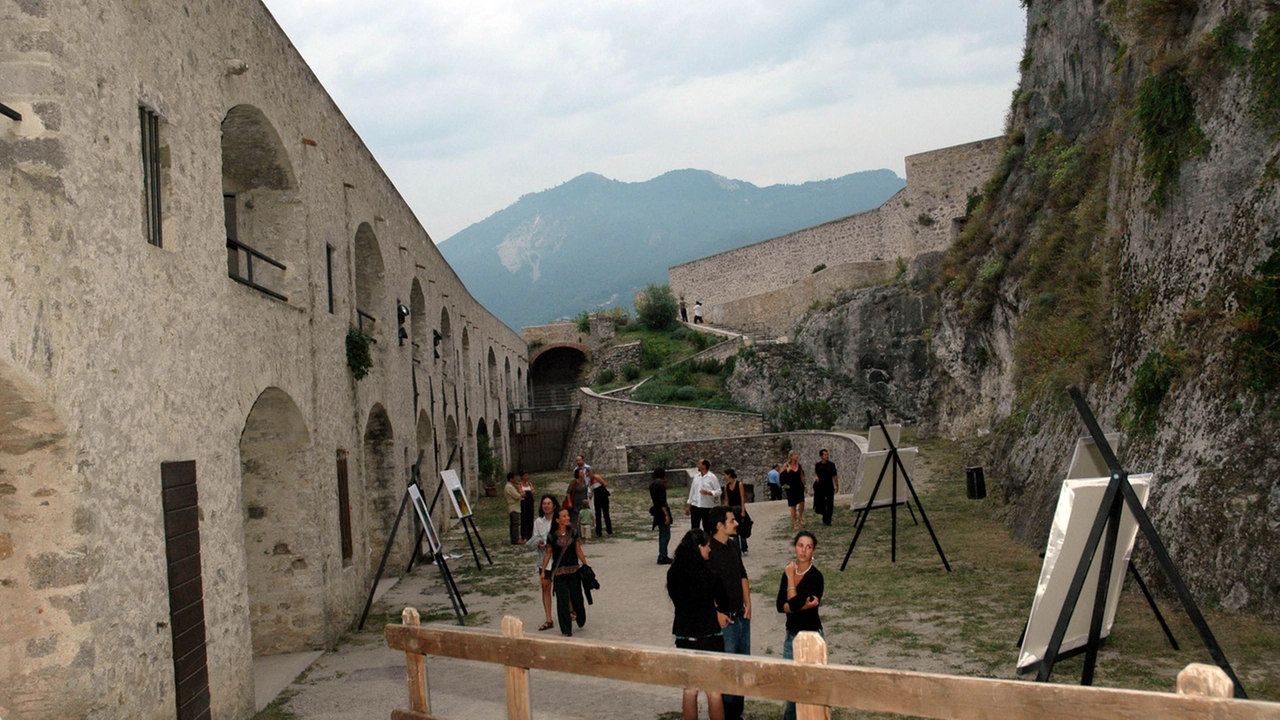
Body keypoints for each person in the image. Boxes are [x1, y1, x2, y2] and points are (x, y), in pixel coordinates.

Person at [667, 529, 729, 720]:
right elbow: (723, 599)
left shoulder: (673, 573)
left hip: (685, 634)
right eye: (707, 545)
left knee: (690, 689)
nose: (710, 549)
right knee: (714, 690)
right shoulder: (708, 571)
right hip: (709, 634)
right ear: (699, 547)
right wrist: (716, 608)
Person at [706, 506, 750, 720]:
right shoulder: (708, 552)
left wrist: (748, 603)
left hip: (742, 616)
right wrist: (716, 613)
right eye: (732, 521)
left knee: (742, 668)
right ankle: (728, 714)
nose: (736, 523)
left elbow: (742, 573)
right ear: (719, 526)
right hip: (726, 621)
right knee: (727, 671)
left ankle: (737, 714)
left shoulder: (733, 546)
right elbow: (704, 587)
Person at [776, 531, 823, 720]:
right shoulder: (788, 571)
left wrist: (796, 603)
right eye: (800, 545)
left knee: (811, 689)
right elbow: (781, 606)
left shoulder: (816, 577)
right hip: (791, 638)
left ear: (813, 551)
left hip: (811, 637)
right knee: (791, 689)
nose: (804, 550)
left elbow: (792, 604)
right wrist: (802, 605)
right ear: (795, 547)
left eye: (808, 547)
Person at [542, 506, 589, 637]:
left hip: (574, 571)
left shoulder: (573, 532)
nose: (567, 518)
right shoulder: (551, 536)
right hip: (559, 574)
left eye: (567, 515)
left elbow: (578, 550)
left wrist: (585, 565)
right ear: (557, 520)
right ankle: (566, 630)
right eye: (564, 516)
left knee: (577, 598)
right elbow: (548, 554)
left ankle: (580, 615)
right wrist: (544, 571)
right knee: (562, 602)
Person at [530, 494, 559, 631]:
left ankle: (570, 610)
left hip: (558, 559)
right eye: (544, 503)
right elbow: (535, 538)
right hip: (544, 560)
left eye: (549, 503)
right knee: (545, 587)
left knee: (562, 586)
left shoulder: (559, 520)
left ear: (554, 505)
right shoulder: (538, 522)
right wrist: (539, 544)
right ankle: (548, 618)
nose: (546, 506)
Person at [685, 459, 721, 533]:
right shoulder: (696, 477)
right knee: (694, 527)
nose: (698, 465)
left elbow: (719, 491)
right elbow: (692, 491)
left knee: (707, 527)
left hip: (707, 506)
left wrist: (709, 493)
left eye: (699, 464)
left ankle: (707, 542)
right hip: (696, 505)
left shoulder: (712, 477)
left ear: (704, 466)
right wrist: (689, 505)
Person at [721, 468, 749, 555]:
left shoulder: (739, 484)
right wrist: (725, 510)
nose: (724, 477)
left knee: (742, 528)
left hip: (739, 507)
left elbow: (742, 497)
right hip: (731, 509)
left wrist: (743, 509)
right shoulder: (726, 487)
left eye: (725, 474)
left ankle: (744, 548)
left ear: (729, 475)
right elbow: (726, 499)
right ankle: (737, 549)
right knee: (734, 529)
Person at [650, 468, 674, 564]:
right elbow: (662, 501)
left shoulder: (652, 485)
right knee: (665, 534)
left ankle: (662, 554)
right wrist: (666, 515)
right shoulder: (660, 486)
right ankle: (663, 556)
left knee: (662, 533)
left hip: (656, 510)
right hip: (661, 511)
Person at [813, 449, 839, 526]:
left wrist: (837, 485)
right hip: (820, 486)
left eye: (827, 454)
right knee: (821, 502)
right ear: (821, 456)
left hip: (829, 486)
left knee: (830, 503)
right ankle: (824, 516)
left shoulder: (831, 465)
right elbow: (816, 473)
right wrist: (816, 477)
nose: (827, 456)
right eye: (825, 455)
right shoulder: (818, 465)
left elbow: (835, 475)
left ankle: (828, 520)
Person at [780, 452, 806, 530]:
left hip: (799, 486)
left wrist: (805, 485)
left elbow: (802, 476)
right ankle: (795, 522)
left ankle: (800, 516)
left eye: (797, 454)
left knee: (802, 502)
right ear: (791, 457)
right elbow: (781, 477)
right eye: (795, 455)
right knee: (793, 505)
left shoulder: (799, 465)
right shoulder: (786, 465)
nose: (796, 456)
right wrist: (786, 471)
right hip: (791, 487)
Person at [565, 467, 592, 539]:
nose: (583, 473)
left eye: (583, 472)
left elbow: (586, 490)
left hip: (583, 503)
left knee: (583, 518)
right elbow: (568, 492)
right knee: (575, 519)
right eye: (581, 472)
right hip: (575, 503)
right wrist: (570, 502)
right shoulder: (574, 482)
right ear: (578, 474)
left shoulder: (584, 481)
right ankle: (575, 534)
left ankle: (583, 534)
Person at [589, 469, 612, 537]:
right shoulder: (590, 481)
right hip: (597, 498)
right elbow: (591, 490)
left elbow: (605, 484)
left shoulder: (596, 477)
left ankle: (609, 531)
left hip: (603, 496)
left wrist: (601, 491)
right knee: (598, 515)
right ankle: (598, 532)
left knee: (606, 514)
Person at [504, 472, 524, 545]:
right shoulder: (509, 487)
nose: (516, 479)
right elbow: (517, 496)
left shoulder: (510, 486)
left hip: (514, 506)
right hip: (513, 507)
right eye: (514, 478)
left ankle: (514, 539)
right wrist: (520, 490)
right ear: (511, 479)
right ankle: (515, 540)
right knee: (515, 524)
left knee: (514, 524)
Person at [518, 470, 536, 541]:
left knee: (530, 518)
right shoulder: (520, 484)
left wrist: (529, 493)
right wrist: (528, 493)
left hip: (530, 502)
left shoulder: (529, 484)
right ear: (522, 477)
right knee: (524, 518)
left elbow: (533, 491)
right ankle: (524, 536)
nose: (527, 477)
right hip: (524, 502)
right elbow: (521, 493)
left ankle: (529, 535)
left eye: (527, 475)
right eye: (525, 475)